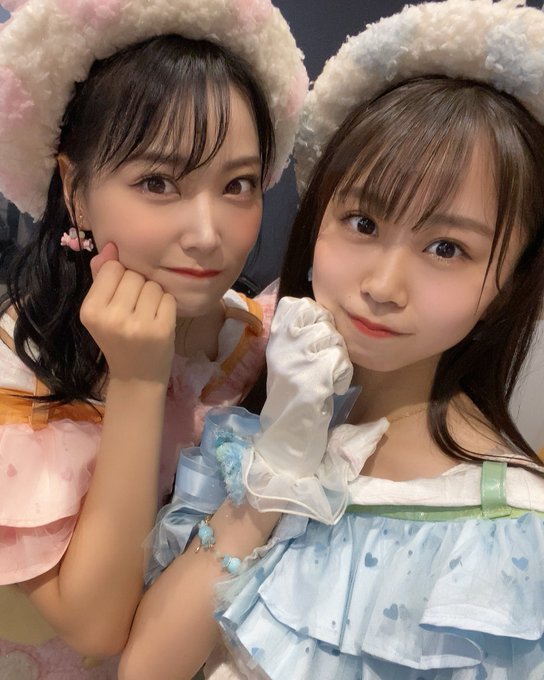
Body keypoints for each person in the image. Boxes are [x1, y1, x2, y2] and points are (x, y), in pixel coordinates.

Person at [120, 1, 544, 679]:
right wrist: (278, 466)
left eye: (447, 247)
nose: (384, 285)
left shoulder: (510, 527)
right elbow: (146, 668)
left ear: (511, 282)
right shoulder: (255, 430)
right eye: (363, 223)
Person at [0, 0, 307, 677]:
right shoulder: (19, 369)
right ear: (76, 190)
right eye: (159, 182)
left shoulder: (263, 340)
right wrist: (139, 380)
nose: (207, 233)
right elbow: (98, 625)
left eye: (238, 184)